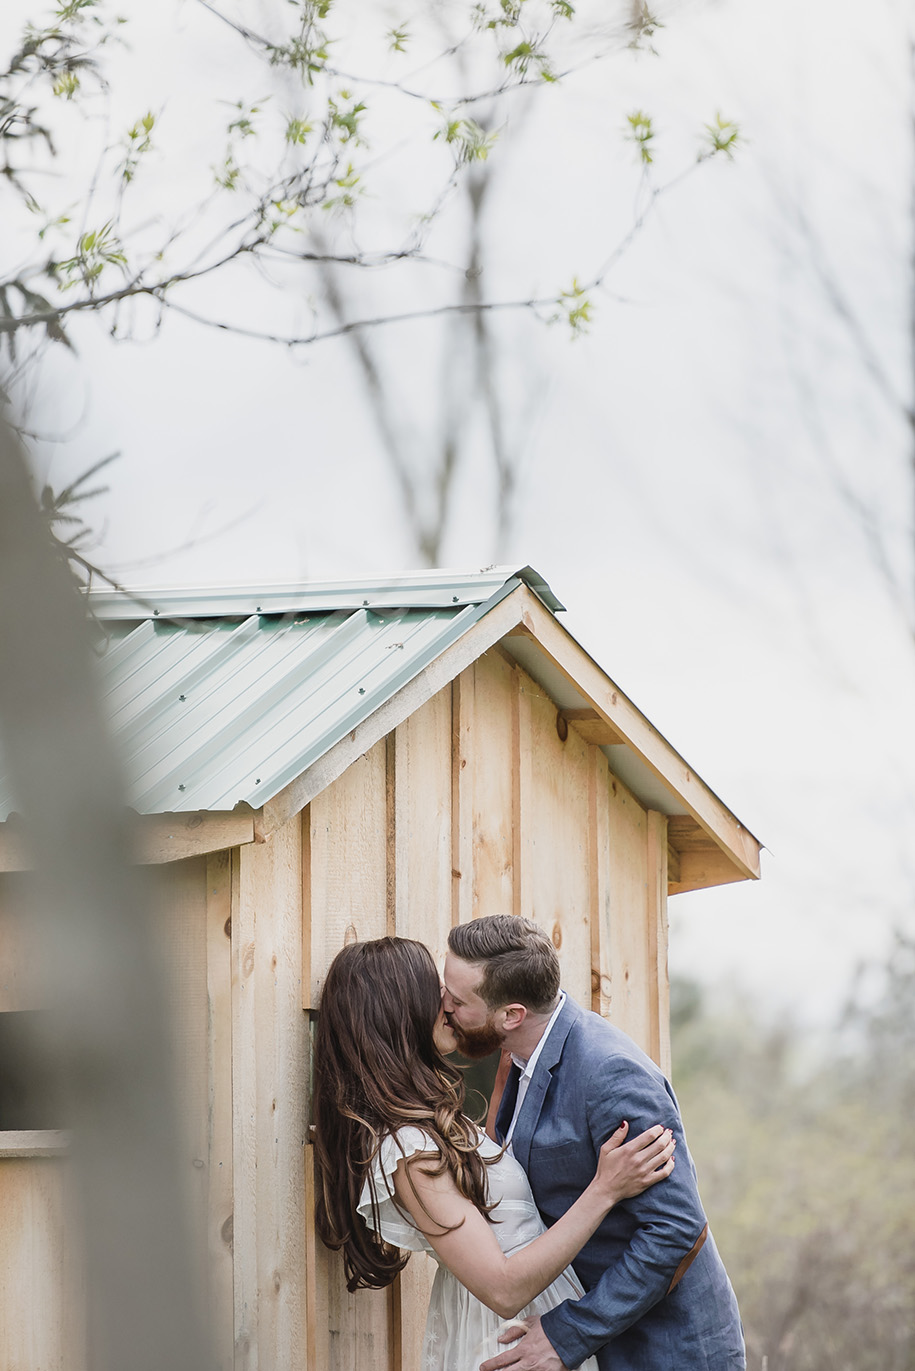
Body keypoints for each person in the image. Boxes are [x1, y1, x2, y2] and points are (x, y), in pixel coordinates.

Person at [312, 937, 676, 1371]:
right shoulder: (406, 1150)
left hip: (540, 1327)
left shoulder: (428, 1127)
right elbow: (502, 1288)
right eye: (434, 992)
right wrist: (606, 1189)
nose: (446, 1004)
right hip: (502, 1338)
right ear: (399, 1012)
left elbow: (489, 1205)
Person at [443, 915, 746, 1371]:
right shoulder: (520, 1056)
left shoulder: (609, 1074)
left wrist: (571, 1332)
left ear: (511, 1014)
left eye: (457, 999)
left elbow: (676, 1229)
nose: (442, 1003)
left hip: (667, 1350)